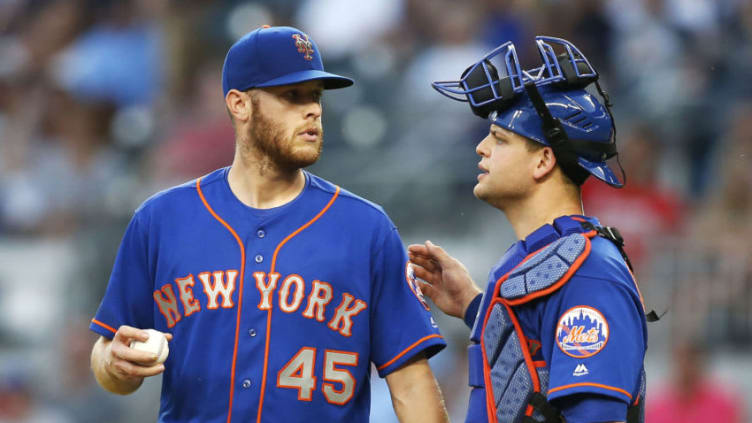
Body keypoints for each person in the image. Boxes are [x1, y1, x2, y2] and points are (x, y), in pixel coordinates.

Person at [88, 25, 448, 423]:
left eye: (315, 97)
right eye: (291, 96)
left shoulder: (366, 229)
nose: (313, 110)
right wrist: (113, 363)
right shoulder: (161, 220)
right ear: (239, 104)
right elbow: (109, 358)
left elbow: (412, 386)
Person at [409, 36, 649, 422]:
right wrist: (475, 305)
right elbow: (530, 363)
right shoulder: (538, 255)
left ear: (543, 160)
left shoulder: (589, 271)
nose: (481, 148)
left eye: (499, 139)